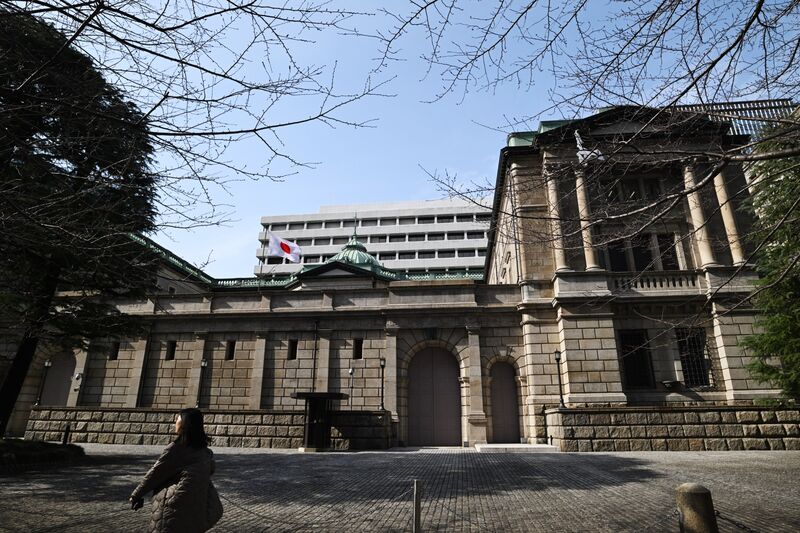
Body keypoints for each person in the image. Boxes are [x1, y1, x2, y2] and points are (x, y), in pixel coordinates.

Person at [130, 408, 220, 532]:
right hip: (196, 509)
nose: (175, 422)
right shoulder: (205, 452)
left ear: (185, 423)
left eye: (177, 419)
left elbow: (155, 474)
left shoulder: (176, 450)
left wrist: (136, 495)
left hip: (173, 508)